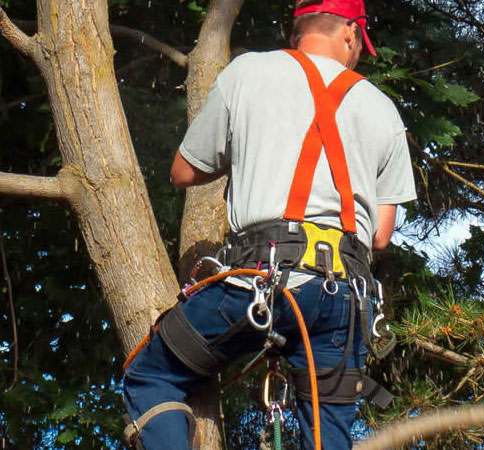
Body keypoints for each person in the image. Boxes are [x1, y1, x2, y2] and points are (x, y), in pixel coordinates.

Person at [121, 0, 417, 448]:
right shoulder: (384, 110)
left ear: (297, 33)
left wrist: (250, 153)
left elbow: (183, 170)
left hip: (262, 279)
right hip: (344, 298)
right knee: (328, 439)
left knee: (151, 376)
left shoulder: (248, 73)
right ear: (351, 34)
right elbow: (379, 235)